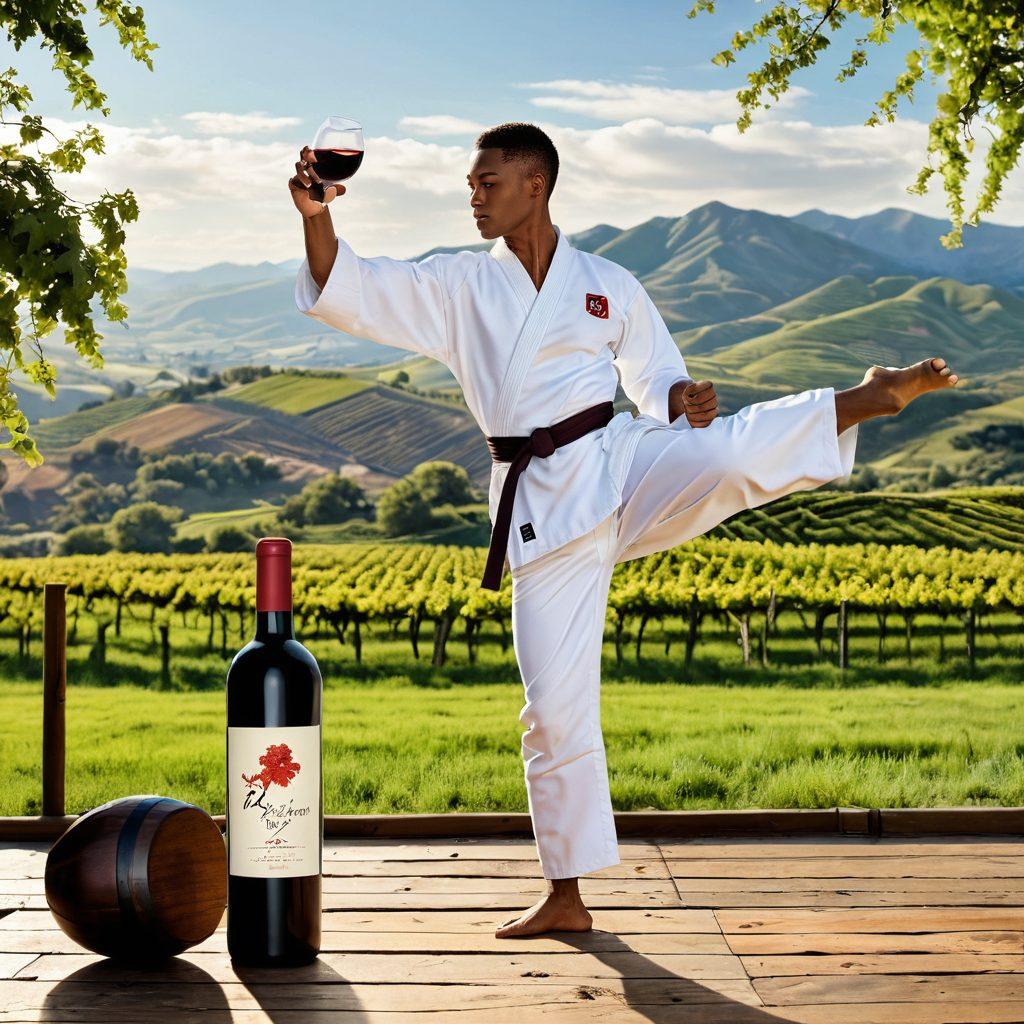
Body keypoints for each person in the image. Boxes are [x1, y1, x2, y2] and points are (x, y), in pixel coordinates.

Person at [289, 122, 959, 939]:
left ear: (534, 184)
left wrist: (683, 401)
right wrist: (315, 211)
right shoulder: (459, 286)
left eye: (487, 181)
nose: (473, 194)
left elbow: (659, 378)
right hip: (542, 510)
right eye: (471, 183)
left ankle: (864, 397)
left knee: (723, 455)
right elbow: (348, 285)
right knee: (554, 710)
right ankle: (567, 895)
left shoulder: (605, 283)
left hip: (618, 460)